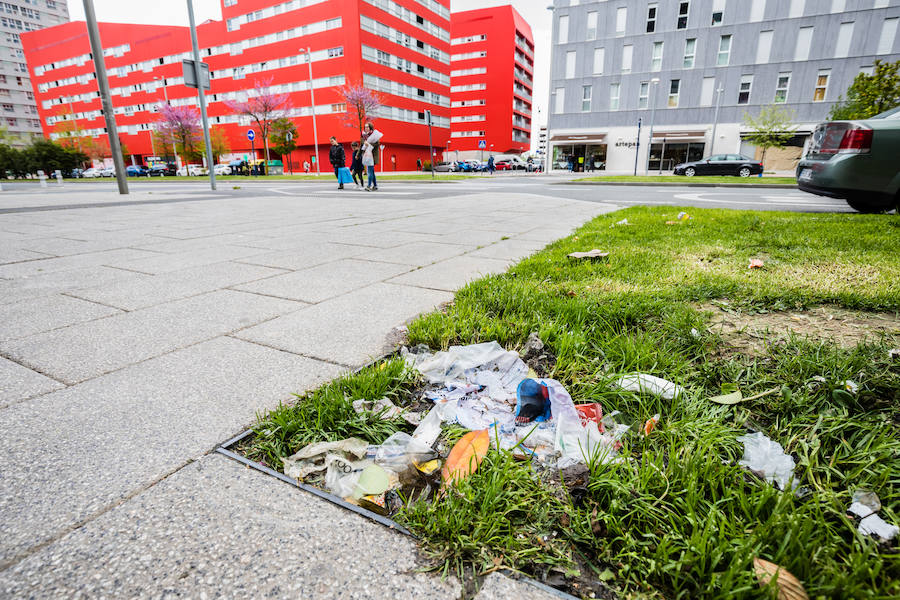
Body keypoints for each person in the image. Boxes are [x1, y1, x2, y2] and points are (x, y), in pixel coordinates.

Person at [362, 122, 382, 191]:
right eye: (365, 127)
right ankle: (375, 186)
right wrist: (358, 154)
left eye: (367, 127)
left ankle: (369, 186)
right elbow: (362, 146)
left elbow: (377, 144)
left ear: (370, 127)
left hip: (372, 156)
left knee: (369, 171)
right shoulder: (364, 136)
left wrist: (368, 144)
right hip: (367, 156)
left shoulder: (375, 135)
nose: (366, 128)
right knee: (371, 172)